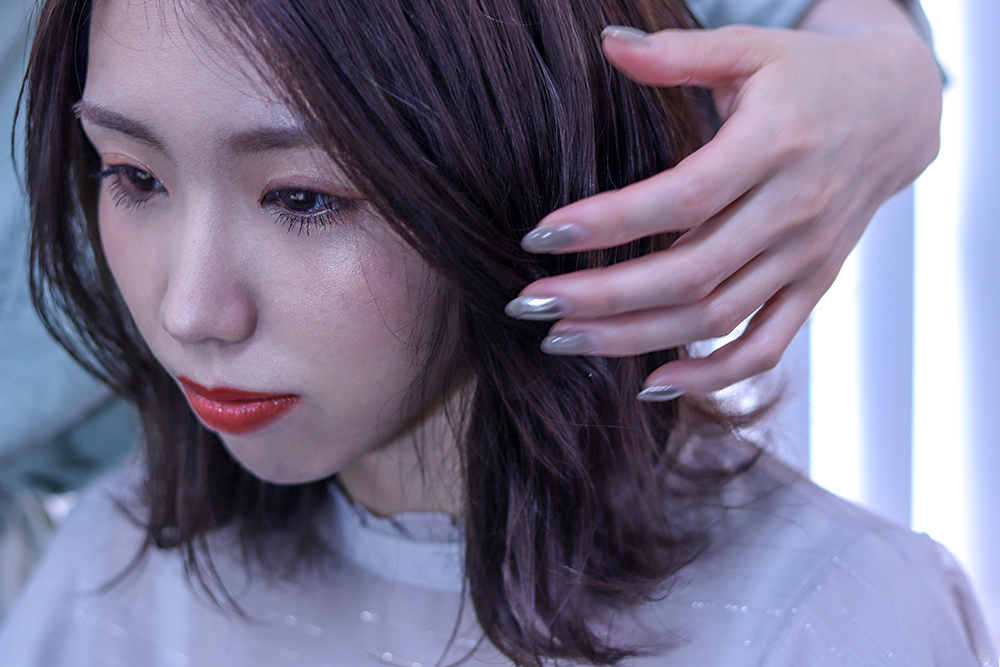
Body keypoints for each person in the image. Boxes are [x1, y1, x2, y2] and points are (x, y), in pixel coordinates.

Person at [3, 0, 989, 666]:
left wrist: (883, 63)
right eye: (134, 176)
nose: (189, 311)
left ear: (520, 159)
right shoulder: (119, 556)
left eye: (302, 196)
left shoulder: (823, 617)